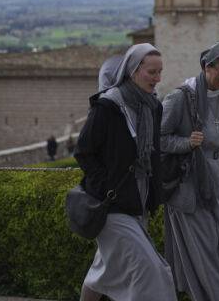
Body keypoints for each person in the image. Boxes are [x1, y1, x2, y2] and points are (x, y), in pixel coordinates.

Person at [73, 44, 177, 301]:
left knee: (105, 268)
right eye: (151, 72)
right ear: (133, 71)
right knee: (152, 270)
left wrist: (155, 195)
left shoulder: (153, 106)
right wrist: (106, 187)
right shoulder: (108, 106)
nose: (157, 78)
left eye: (160, 72)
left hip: (137, 199)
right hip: (111, 204)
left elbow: (153, 154)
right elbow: (84, 152)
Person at [160, 42, 219, 301]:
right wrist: (186, 143)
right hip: (191, 190)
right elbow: (158, 139)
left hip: (218, 188)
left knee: (217, 250)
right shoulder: (180, 98)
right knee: (214, 256)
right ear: (207, 68)